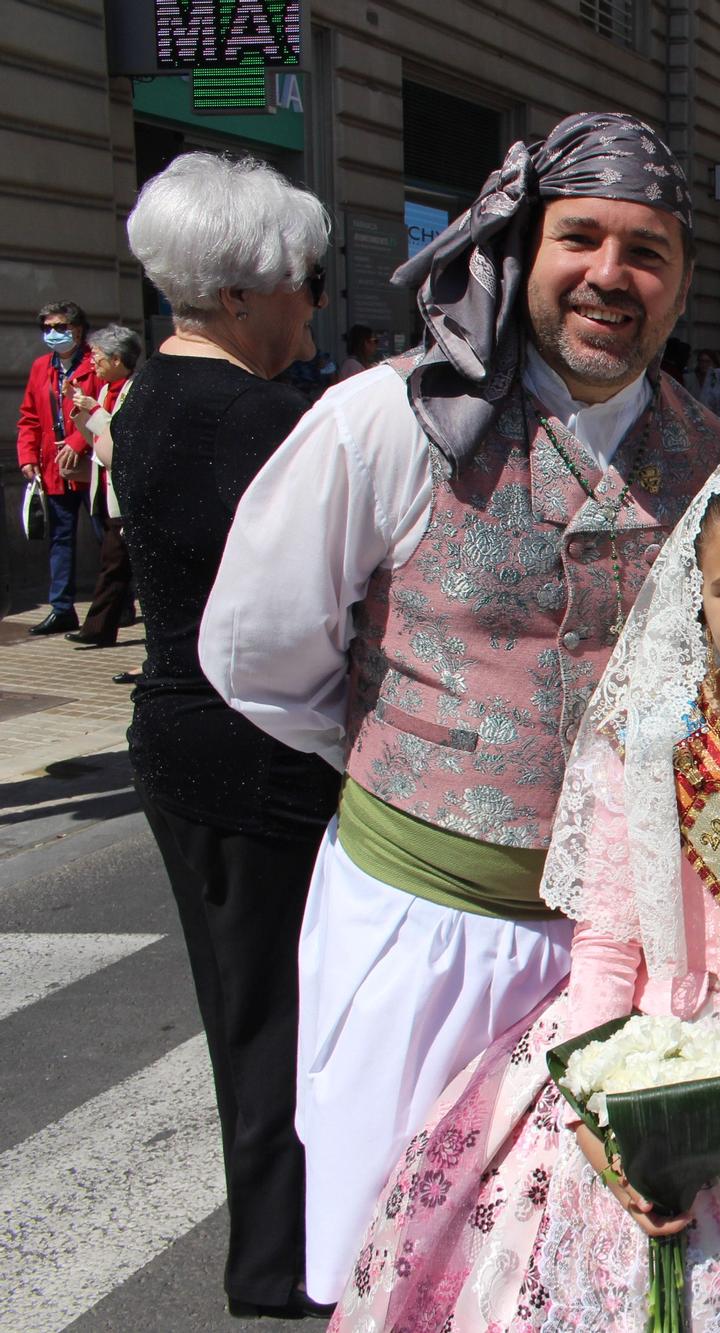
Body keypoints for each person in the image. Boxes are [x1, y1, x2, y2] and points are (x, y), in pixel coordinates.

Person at [197, 111, 720, 1306]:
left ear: (683, 281)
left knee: (581, 1282)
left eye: (646, 251)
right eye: (581, 238)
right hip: (419, 939)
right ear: (520, 246)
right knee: (402, 1275)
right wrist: (415, 758)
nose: (611, 275)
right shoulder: (386, 421)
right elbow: (257, 652)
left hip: (626, 954)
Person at [330, 448, 720, 1330]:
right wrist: (599, 1108)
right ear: (698, 598)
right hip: (663, 1063)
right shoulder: (650, 745)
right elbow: (607, 943)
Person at [115, 151, 341, 1320]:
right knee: (286, 1024)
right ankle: (281, 1265)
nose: (314, 296)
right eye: (304, 275)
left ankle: (280, 1248)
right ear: (246, 290)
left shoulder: (152, 391)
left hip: (180, 744)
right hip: (258, 760)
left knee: (245, 1012)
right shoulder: (260, 415)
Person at [16, 299, 102, 636]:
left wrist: (79, 444)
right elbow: (30, 417)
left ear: (78, 329)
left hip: (89, 464)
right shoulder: (42, 367)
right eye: (47, 328)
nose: (53, 334)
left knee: (104, 536)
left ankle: (118, 601)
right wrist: (27, 456)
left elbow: (102, 409)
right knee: (60, 538)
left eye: (60, 327)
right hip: (53, 469)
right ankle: (61, 608)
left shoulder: (96, 362)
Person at [63, 324, 144, 648]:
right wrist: (81, 415)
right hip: (106, 489)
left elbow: (120, 438)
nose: (93, 363)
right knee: (116, 563)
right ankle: (102, 626)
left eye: (97, 356)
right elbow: (99, 443)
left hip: (125, 495)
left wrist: (94, 411)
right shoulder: (104, 391)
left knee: (115, 563)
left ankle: (98, 628)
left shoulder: (134, 389)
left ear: (116, 358)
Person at [692, 347, 720, 415]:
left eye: (707, 362)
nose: (704, 364)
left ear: (714, 363)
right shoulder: (691, 379)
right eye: (701, 361)